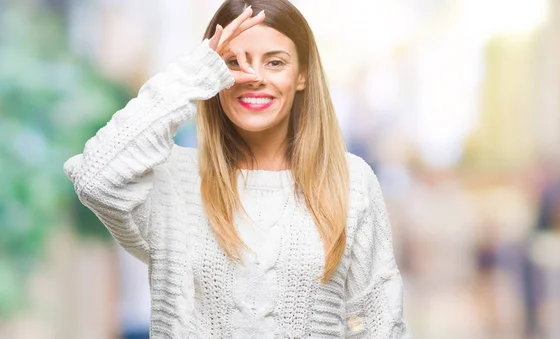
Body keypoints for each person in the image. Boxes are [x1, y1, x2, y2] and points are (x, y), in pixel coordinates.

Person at [64, 0, 411, 337]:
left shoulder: (351, 182)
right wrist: (194, 75)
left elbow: (380, 323)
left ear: (302, 74)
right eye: (233, 62)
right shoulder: (173, 181)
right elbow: (96, 178)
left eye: (275, 62)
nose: (253, 77)